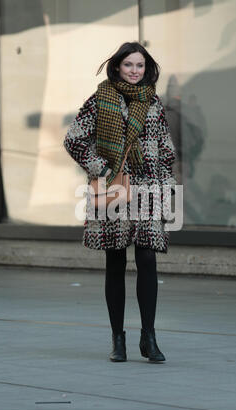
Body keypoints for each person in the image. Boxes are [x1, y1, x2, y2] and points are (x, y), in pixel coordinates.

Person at [63, 41, 177, 363]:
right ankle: (118, 339)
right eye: (129, 65)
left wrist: (166, 186)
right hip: (114, 190)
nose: (134, 71)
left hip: (148, 191)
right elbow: (73, 139)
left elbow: (166, 148)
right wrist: (103, 168)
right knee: (115, 262)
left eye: (140, 66)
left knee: (148, 261)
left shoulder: (153, 102)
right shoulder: (100, 99)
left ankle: (149, 337)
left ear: (147, 69)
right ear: (117, 66)